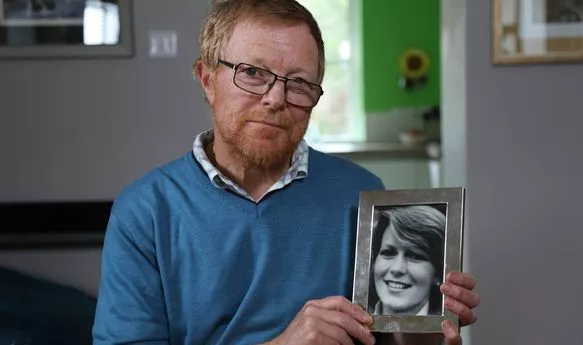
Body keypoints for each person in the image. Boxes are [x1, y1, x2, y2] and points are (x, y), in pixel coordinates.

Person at [92, 1, 480, 344]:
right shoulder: (144, 211)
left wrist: (424, 329)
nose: (276, 99)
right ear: (208, 80)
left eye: (299, 83)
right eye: (253, 73)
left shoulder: (363, 193)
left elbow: (389, 337)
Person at [369, 205, 446, 316]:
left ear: (438, 273)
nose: (397, 268)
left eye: (414, 256)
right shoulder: (351, 324)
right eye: (388, 253)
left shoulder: (446, 328)